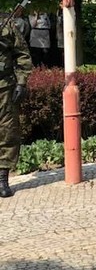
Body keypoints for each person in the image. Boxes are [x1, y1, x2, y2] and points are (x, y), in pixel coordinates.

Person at [0, 17, 33, 197]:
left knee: (7, 131)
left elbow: (22, 54)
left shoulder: (7, 24)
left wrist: (21, 82)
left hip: (4, 87)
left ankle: (2, 179)